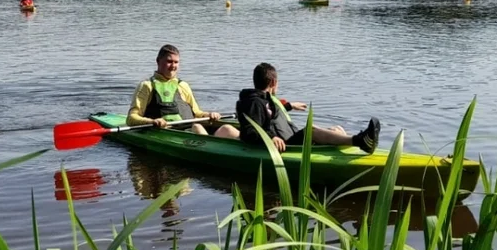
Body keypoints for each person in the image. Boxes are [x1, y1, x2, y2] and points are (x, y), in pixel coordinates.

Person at [236, 62, 379, 153]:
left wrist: (289, 105)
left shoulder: (264, 99)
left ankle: (356, 142)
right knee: (312, 130)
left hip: (290, 138)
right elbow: (250, 130)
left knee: (337, 129)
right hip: (286, 146)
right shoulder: (254, 102)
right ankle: (360, 141)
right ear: (274, 82)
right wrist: (271, 137)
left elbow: (270, 112)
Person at [127, 44, 241, 138]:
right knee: (197, 127)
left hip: (189, 131)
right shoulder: (147, 86)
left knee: (227, 128)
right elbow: (131, 118)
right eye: (169, 61)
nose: (173, 66)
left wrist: (210, 115)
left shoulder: (183, 85)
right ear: (158, 61)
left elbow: (197, 113)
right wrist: (152, 122)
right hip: (167, 133)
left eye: (176, 62)